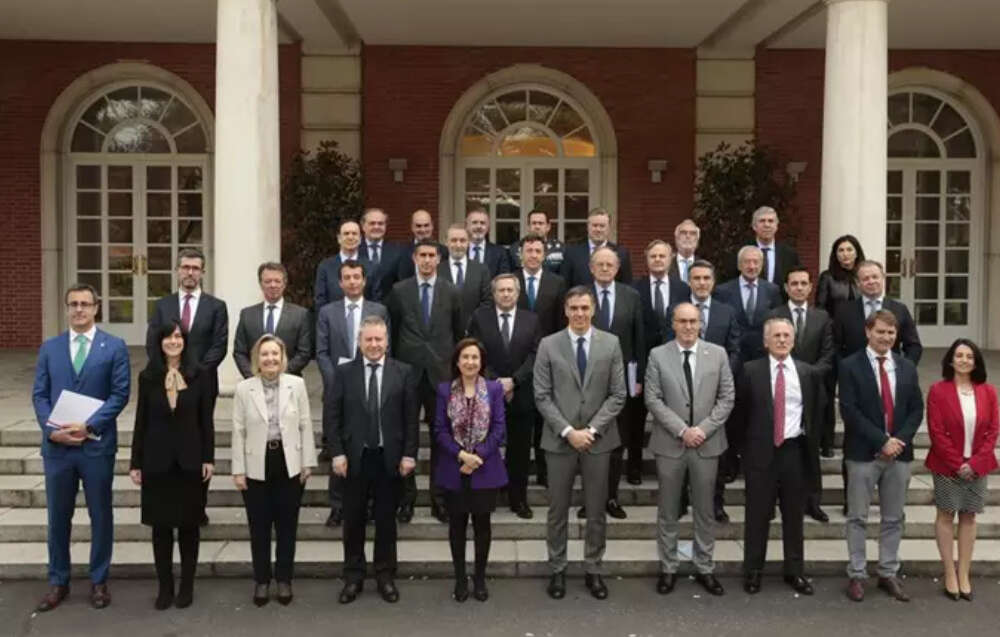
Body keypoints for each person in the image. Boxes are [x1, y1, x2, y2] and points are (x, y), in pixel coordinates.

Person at [32, 283, 130, 612]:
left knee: (100, 515)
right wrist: (51, 430)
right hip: (58, 449)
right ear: (66, 308)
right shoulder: (50, 348)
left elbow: (120, 395)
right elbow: (40, 394)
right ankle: (58, 581)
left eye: (85, 304)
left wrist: (89, 426)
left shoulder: (114, 347)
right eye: (73, 304)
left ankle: (99, 580)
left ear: (96, 308)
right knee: (58, 518)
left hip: (95, 447)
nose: (79, 309)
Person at [534, 286, 626, 601]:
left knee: (597, 509)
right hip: (559, 442)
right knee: (557, 509)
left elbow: (618, 394)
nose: (579, 314)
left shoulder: (611, 344)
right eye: (574, 308)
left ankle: (594, 569)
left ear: (594, 309)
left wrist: (592, 429)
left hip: (598, 442)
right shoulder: (548, 345)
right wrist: (568, 431)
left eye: (585, 308)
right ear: (565, 310)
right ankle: (557, 568)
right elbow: (542, 396)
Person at [326, 316, 419, 605]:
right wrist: (337, 453)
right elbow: (332, 417)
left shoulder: (403, 372)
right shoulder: (343, 373)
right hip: (354, 459)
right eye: (368, 339)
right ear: (359, 342)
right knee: (352, 520)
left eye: (379, 339)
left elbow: (411, 419)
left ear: (387, 341)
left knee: (386, 521)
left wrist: (409, 454)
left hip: (388, 459)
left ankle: (385, 575)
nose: (374, 344)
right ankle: (353, 577)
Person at [645, 303, 734, 596]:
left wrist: (703, 430)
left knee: (705, 510)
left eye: (693, 321)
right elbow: (653, 399)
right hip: (670, 444)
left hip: (707, 444)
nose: (687, 326)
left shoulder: (717, 354)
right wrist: (682, 430)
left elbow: (726, 398)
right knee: (668, 509)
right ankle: (668, 567)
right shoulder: (658, 355)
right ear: (673, 324)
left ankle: (704, 566)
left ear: (701, 323)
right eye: (682, 321)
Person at [839, 309, 923, 602]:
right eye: (880, 332)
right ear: (868, 331)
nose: (886, 337)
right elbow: (849, 411)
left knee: (893, 518)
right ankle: (857, 574)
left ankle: (888, 572)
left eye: (891, 333)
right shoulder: (850, 366)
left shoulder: (906, 367)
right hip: (863, 453)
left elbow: (916, 410)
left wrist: (898, 440)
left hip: (898, 455)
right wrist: (882, 440)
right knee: (858, 518)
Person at [130, 320, 214, 609]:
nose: (173, 341)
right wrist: (135, 462)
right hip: (156, 462)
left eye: (178, 336)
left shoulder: (200, 375)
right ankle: (165, 587)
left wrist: (208, 458)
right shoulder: (148, 376)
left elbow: (206, 421)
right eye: (167, 337)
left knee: (189, 528)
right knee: (161, 529)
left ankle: (186, 586)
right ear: (159, 341)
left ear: (185, 340)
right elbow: (141, 421)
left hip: (190, 462)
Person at [736, 318, 823, 596]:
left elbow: (816, 414)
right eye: (776, 336)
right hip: (760, 453)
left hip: (794, 452)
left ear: (794, 340)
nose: (782, 340)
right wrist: (743, 452)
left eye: (787, 335)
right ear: (766, 341)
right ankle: (753, 571)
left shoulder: (807, 373)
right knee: (757, 515)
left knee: (794, 515)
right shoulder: (750, 371)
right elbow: (739, 414)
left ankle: (795, 571)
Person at [231, 334, 317, 607]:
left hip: (288, 461)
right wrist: (238, 470)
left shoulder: (297, 385)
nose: (270, 359)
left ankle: (283, 579)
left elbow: (305, 424)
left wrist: (307, 462)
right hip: (256, 463)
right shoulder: (245, 389)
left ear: (283, 358)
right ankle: (261, 580)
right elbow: (238, 430)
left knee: (287, 525)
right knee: (259, 525)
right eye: (265, 354)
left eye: (275, 354)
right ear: (257, 359)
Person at [147, 247, 228, 526]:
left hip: (202, 384)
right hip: (166, 381)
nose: (190, 272)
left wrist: (195, 373)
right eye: (185, 267)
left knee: (199, 437)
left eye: (195, 268)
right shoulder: (163, 305)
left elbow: (219, 346)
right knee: (170, 437)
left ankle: (197, 505)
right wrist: (168, 369)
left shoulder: (216, 307)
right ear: (177, 270)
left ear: (203, 272)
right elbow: (152, 342)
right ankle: (170, 501)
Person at [386, 239, 464, 523]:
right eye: (423, 255)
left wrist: (455, 374)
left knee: (441, 440)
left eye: (433, 256)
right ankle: (405, 499)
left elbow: (457, 335)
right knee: (404, 438)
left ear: (440, 260)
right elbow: (391, 334)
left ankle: (439, 499)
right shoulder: (399, 291)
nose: (428, 260)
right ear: (414, 258)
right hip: (406, 375)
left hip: (440, 376)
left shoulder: (452, 292)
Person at [433, 338, 509, 602]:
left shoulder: (494, 389)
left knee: (482, 527)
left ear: (482, 362)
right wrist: (461, 454)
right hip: (454, 469)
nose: (470, 362)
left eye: (475, 357)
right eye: (465, 357)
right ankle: (460, 579)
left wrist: (477, 456)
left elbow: (499, 429)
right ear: (457, 361)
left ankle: (479, 578)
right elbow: (439, 431)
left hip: (485, 469)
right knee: (456, 526)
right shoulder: (444, 391)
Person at [316, 260, 390, 527]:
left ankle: (369, 505)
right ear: (340, 283)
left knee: (368, 449)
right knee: (340, 446)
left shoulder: (379, 310)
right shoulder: (327, 312)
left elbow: (383, 346)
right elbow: (322, 352)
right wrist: (336, 381)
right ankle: (337, 506)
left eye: (357, 277)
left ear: (364, 280)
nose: (352, 282)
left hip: (371, 386)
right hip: (338, 388)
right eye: (347, 277)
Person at [926, 339, 999, 601]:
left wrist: (975, 463)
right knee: (945, 516)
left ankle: (964, 573)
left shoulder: (989, 392)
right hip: (947, 465)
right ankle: (949, 573)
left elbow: (993, 431)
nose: (964, 360)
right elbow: (936, 431)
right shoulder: (938, 390)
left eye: (970, 356)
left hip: (978, 466)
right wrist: (958, 464)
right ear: (950, 360)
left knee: (969, 517)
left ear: (976, 361)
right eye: (959, 355)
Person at [467, 274, 540, 518]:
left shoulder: (531, 320)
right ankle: (487, 497)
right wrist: (496, 381)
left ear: (518, 294)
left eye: (510, 290)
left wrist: (514, 381)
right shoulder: (480, 318)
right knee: (486, 447)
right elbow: (475, 351)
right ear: (494, 293)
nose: (506, 294)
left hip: (521, 393)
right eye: (501, 290)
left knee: (519, 451)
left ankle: (518, 498)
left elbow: (535, 355)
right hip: (487, 393)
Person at [578, 246, 644, 520]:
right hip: (586, 380)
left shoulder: (631, 296)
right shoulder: (580, 296)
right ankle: (589, 500)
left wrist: (638, 377)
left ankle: (611, 498)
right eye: (600, 265)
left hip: (621, 381)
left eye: (610, 265)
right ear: (592, 268)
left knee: (616, 443)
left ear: (618, 269)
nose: (605, 269)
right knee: (588, 442)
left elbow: (638, 337)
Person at [767, 267, 834, 522]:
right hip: (780, 392)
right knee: (777, 448)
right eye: (793, 283)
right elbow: (770, 349)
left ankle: (812, 502)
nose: (798, 287)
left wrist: (805, 375)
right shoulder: (774, 316)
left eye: (803, 283)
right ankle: (773, 501)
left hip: (813, 392)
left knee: (811, 449)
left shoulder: (822, 317)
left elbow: (829, 355)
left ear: (810, 287)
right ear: (786, 287)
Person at [684, 259, 742, 523]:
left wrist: (720, 376)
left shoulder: (726, 311)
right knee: (684, 447)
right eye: (696, 278)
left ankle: (716, 503)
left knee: (716, 450)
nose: (702, 283)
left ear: (713, 282)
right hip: (683, 391)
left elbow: (734, 349)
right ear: (689, 281)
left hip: (717, 392)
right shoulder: (679, 311)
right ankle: (682, 501)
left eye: (706, 278)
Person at [632, 240, 690, 484]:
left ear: (671, 259)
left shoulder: (682, 288)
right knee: (636, 419)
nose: (657, 260)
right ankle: (634, 468)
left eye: (662, 256)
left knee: (674, 415)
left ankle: (672, 470)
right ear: (646, 260)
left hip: (673, 361)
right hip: (642, 359)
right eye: (653, 256)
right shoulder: (634, 289)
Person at [515, 233, 568, 487]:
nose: (533, 255)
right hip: (518, 360)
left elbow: (561, 323)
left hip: (549, 360)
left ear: (544, 255)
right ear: (521, 254)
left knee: (546, 419)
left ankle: (545, 472)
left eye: (538, 251)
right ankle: (519, 474)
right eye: (529, 250)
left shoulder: (557, 283)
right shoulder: (510, 281)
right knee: (521, 424)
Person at [833, 260, 922, 364]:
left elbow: (913, 346)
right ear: (858, 283)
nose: (871, 281)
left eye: (875, 277)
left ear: (883, 279)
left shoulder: (899, 309)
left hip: (889, 374)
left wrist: (904, 369)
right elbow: (835, 347)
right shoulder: (844, 311)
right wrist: (844, 370)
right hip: (854, 374)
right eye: (866, 279)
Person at [234, 262, 312, 378]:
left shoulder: (300, 315)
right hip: (254, 383)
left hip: (288, 382)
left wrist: (278, 375)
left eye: (277, 281)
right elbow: (239, 352)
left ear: (284, 284)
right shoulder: (247, 315)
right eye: (268, 281)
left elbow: (304, 352)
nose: (273, 285)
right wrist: (253, 376)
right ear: (261, 284)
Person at [714, 245, 781, 364]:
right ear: (739, 265)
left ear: (761, 265)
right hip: (733, 355)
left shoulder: (772, 290)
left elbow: (776, 321)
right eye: (747, 262)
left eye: (756, 262)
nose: (752, 266)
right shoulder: (723, 291)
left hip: (762, 355)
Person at [559, 208, 633, 287]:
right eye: (594, 225)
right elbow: (564, 284)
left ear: (609, 228)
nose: (598, 229)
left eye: (602, 226)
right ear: (587, 227)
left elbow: (626, 286)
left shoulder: (621, 253)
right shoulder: (572, 253)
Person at [438, 223, 491, 330]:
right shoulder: (437, 270)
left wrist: (473, 323)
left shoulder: (481, 270)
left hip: (474, 331)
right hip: (444, 333)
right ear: (446, 242)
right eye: (453, 240)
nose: (458, 245)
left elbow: (487, 301)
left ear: (468, 243)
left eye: (462, 240)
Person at [744, 206, 802, 292]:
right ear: (754, 226)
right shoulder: (743, 252)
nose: (766, 225)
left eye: (770, 221)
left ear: (776, 226)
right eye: (762, 221)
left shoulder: (789, 254)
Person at [313, 219, 364, 309]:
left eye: (354, 233)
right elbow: (320, 300)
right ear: (339, 239)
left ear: (360, 239)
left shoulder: (371, 266)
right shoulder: (325, 266)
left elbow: (375, 300)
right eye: (346, 233)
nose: (350, 237)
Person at [358, 207, 406, 301]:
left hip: (390, 309)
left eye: (380, 223)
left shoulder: (398, 251)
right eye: (372, 223)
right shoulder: (355, 251)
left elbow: (402, 284)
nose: (376, 227)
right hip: (361, 308)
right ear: (363, 226)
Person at [816, 234, 865, 320]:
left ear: (857, 253)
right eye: (841, 250)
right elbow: (820, 308)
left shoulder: (864, 275)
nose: (845, 254)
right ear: (836, 255)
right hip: (834, 326)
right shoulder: (827, 277)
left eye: (849, 250)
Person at [397, 209, 448, 280]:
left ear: (432, 226)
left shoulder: (445, 252)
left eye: (426, 225)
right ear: (412, 227)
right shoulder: (401, 253)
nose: (423, 230)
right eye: (418, 226)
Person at [465, 207, 512, 277]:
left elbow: (503, 280)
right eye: (474, 222)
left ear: (488, 228)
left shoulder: (500, 253)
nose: (479, 226)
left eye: (482, 223)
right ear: (466, 226)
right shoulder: (460, 250)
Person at [670, 219, 700, 283]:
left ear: (697, 239)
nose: (688, 236)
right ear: (676, 237)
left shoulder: (704, 266)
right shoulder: (666, 265)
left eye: (692, 233)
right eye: (683, 233)